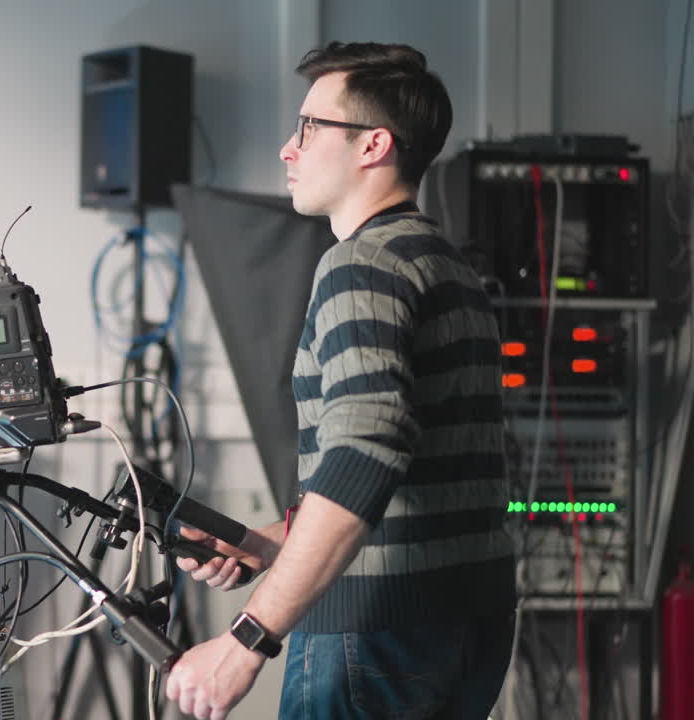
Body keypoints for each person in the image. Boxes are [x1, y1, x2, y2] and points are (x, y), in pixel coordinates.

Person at [164, 42, 516, 720]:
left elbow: (364, 455)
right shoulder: (446, 264)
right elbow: (411, 468)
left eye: (307, 128)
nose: (286, 150)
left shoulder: (362, 267)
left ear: (373, 145)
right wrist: (270, 543)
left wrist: (245, 641)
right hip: (469, 620)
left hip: (377, 631)